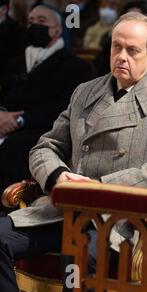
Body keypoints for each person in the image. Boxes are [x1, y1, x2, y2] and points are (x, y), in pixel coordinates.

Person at [0, 11, 147, 292]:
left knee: (78, 254)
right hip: (65, 210)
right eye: (117, 46)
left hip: (126, 219)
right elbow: (45, 146)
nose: (121, 56)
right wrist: (56, 175)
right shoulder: (86, 91)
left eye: (132, 50)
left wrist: (100, 187)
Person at [0, 4, 92, 207]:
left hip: (41, 130)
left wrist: (20, 120)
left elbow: (64, 109)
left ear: (57, 30)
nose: (34, 26)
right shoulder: (15, 62)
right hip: (5, 125)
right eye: (31, 22)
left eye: (41, 21)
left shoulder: (75, 67)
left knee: (14, 149)